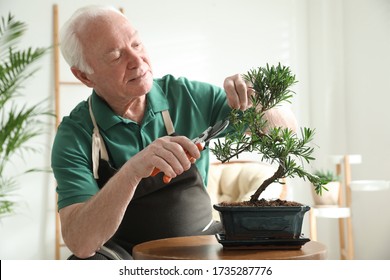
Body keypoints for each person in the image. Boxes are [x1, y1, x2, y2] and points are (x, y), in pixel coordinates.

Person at [51, 5, 296, 260]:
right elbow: (80, 242)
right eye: (115, 56)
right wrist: (134, 170)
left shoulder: (188, 96)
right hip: (122, 254)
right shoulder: (75, 134)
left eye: (136, 44)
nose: (137, 62)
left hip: (203, 241)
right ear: (84, 76)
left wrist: (261, 98)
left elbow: (286, 132)